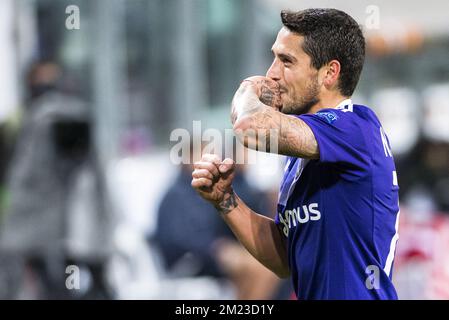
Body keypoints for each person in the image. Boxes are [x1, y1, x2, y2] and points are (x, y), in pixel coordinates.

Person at [191, 8, 400, 300]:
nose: (272, 74)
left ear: (330, 73)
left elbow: (249, 126)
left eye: (286, 61)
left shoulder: (356, 129)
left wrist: (247, 88)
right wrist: (227, 201)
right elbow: (284, 260)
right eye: (274, 58)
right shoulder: (301, 154)